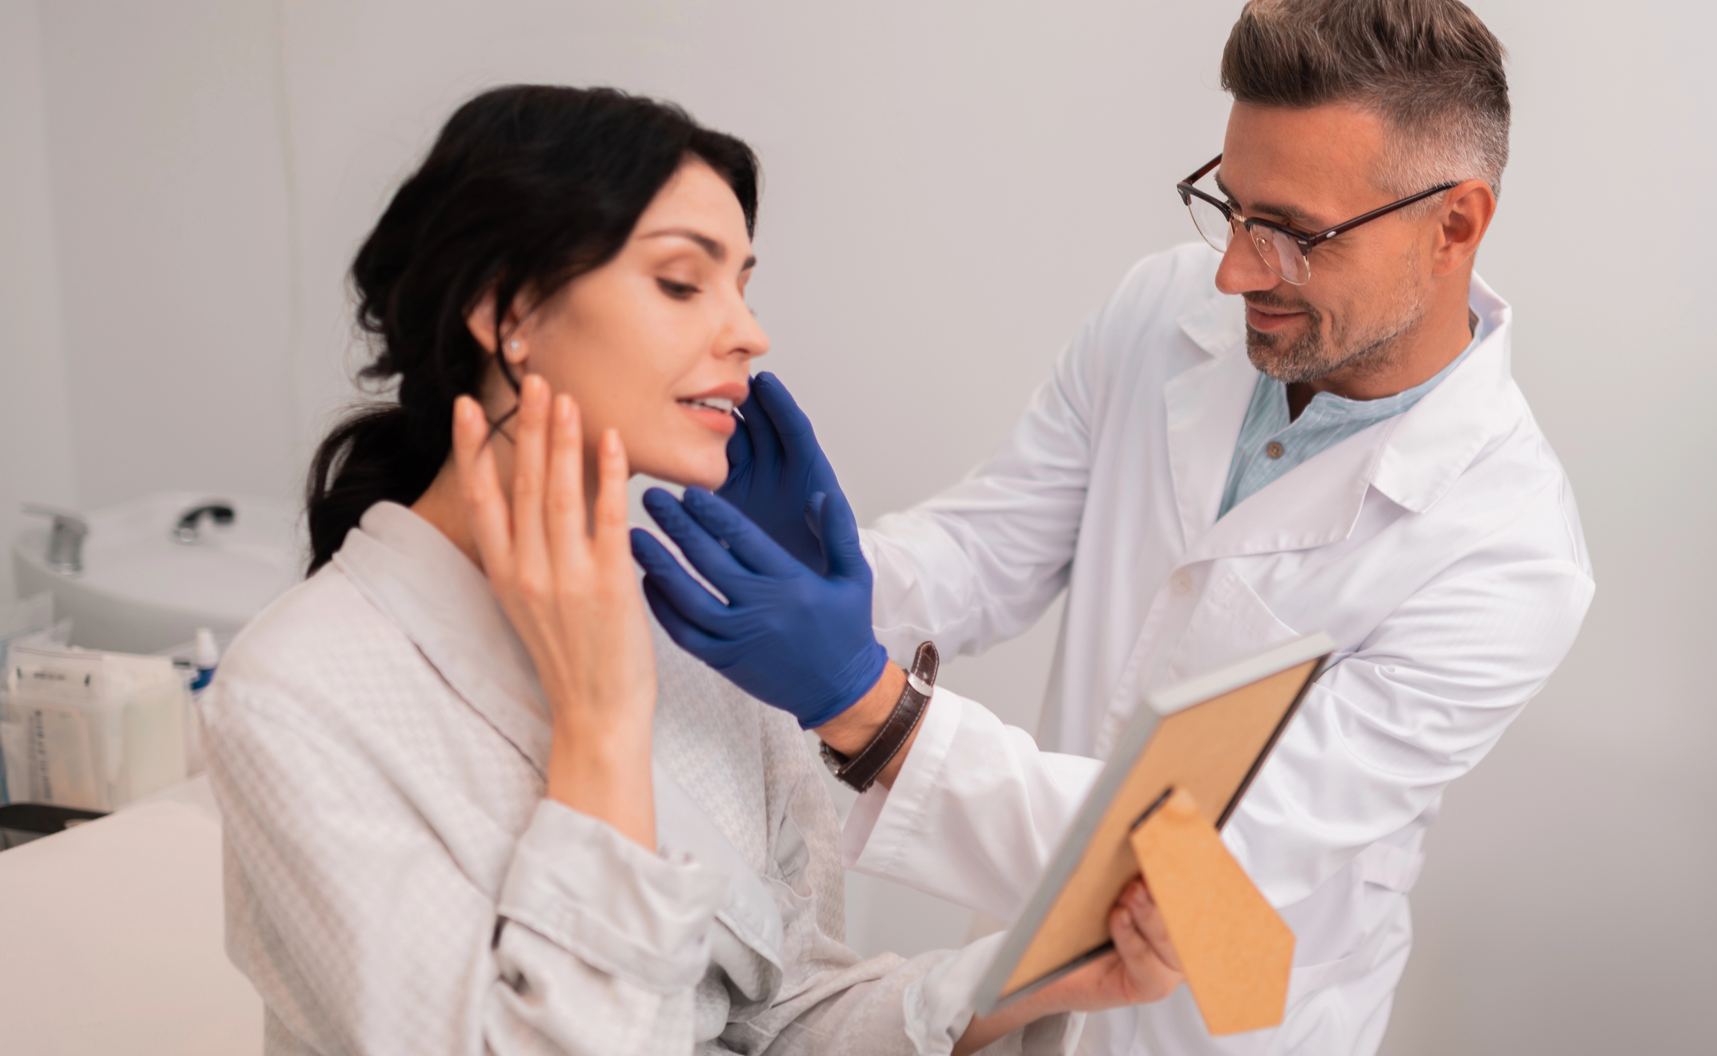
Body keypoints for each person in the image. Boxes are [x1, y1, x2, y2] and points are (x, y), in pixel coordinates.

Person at [628, 2, 1596, 1054]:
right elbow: (997, 544)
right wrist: (839, 578)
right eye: (1230, 207)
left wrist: (870, 707)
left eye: (1292, 234)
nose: (1234, 269)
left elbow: (1203, 857)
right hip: (1021, 982)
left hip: (1218, 1023)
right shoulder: (1163, 310)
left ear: (1454, 224)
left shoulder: (1507, 552)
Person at [201, 85, 1184, 1056]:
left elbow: (788, 1015)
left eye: (743, 286)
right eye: (682, 283)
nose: (749, 333)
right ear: (508, 313)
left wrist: (1019, 978)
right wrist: (600, 729)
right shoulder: (297, 694)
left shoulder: (697, 636)